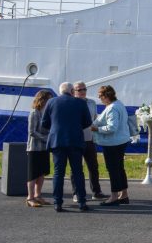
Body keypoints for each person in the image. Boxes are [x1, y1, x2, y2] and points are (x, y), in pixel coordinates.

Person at [40, 82, 93, 212]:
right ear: (72, 91)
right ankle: (82, 202)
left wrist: (56, 128)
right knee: (78, 172)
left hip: (57, 141)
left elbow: (44, 123)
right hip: (75, 141)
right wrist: (75, 127)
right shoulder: (80, 103)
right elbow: (87, 122)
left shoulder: (51, 102)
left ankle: (57, 203)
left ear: (60, 91)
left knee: (58, 173)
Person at [91, 85, 132, 206]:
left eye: (100, 96)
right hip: (121, 141)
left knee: (113, 170)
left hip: (112, 143)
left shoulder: (112, 108)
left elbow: (112, 127)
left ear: (106, 96)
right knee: (119, 168)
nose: (99, 98)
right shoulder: (119, 104)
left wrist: (96, 128)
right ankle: (123, 195)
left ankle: (114, 197)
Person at [71, 81, 107, 202]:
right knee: (76, 167)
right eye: (80, 90)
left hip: (89, 138)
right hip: (76, 139)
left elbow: (95, 118)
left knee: (93, 166)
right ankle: (77, 193)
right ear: (74, 91)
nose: (83, 92)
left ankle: (96, 192)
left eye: (84, 89)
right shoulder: (71, 103)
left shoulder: (92, 102)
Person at [26, 90, 53, 207]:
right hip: (34, 148)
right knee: (33, 174)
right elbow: (32, 132)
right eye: (49, 100)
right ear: (42, 100)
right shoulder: (34, 113)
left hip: (44, 148)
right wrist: (46, 138)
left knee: (41, 173)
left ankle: (38, 195)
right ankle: (30, 198)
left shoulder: (46, 113)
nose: (50, 102)